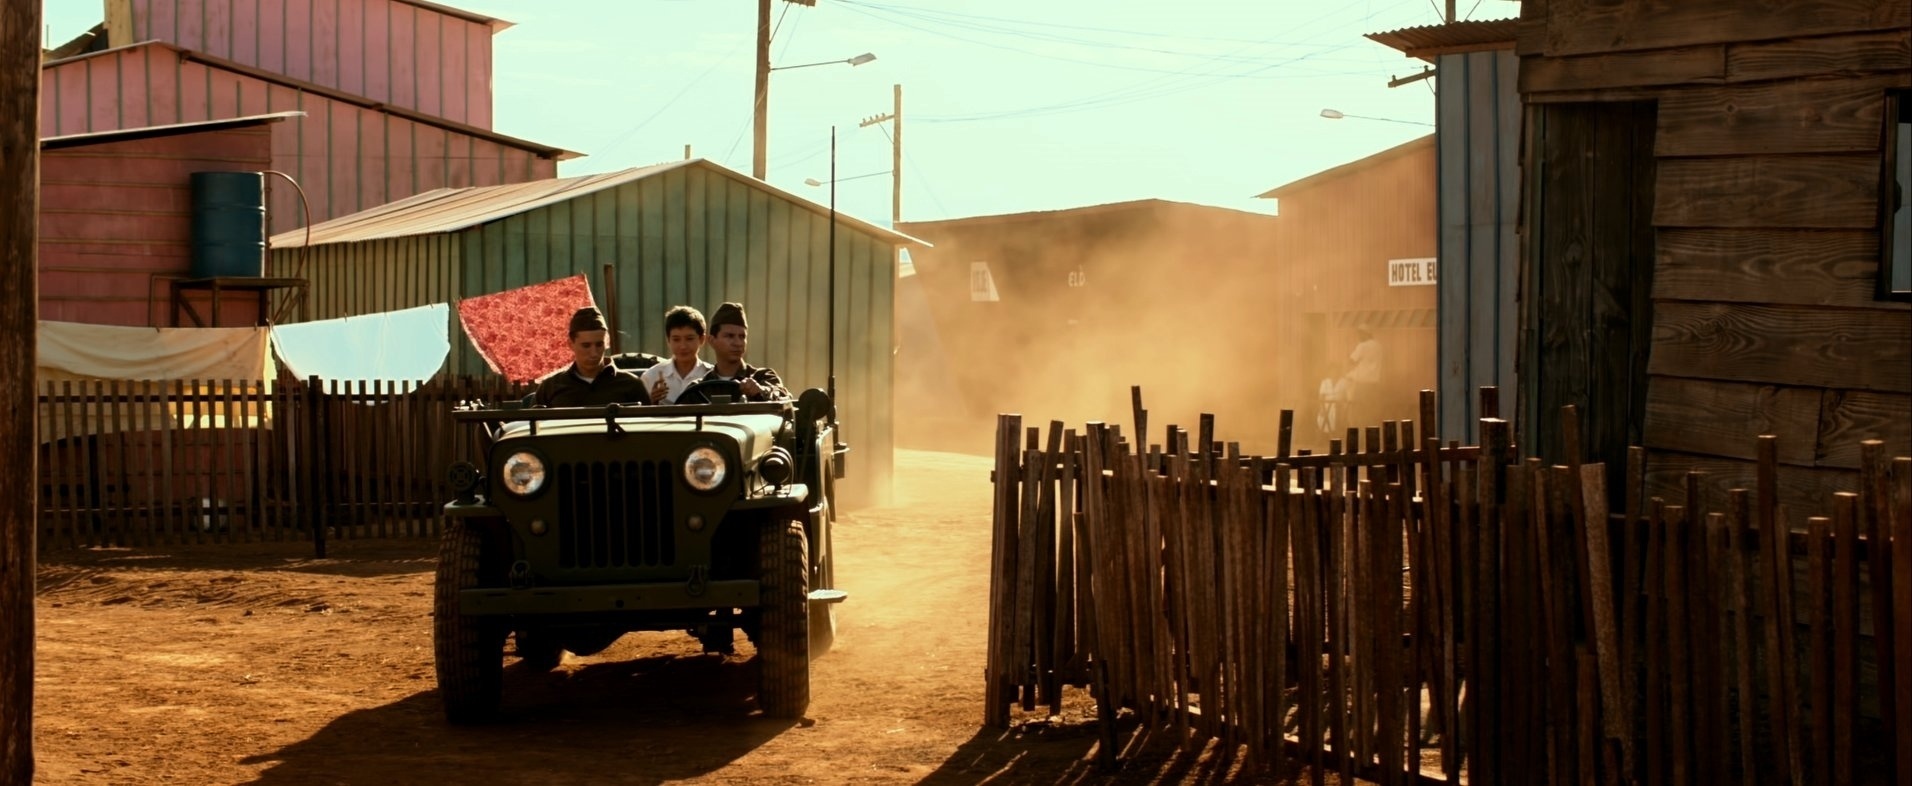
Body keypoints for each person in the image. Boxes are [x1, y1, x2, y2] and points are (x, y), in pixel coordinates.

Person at [532, 306, 648, 407]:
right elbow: (530, 426)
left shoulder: (631, 385)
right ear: (571, 344)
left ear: (607, 343)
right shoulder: (550, 388)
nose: (594, 352)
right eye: (586, 346)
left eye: (599, 344)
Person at [700, 302, 790, 402]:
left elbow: (782, 397)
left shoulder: (762, 377)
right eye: (730, 336)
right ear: (712, 341)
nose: (738, 343)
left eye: (742, 337)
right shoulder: (699, 389)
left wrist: (761, 391)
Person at [639, 305, 714, 404]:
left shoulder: (711, 376)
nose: (683, 346)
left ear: (702, 339)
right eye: (676, 339)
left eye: (689, 338)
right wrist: (650, 402)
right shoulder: (651, 377)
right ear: (668, 340)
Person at [1345, 327, 1384, 425]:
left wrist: (1347, 356)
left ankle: (1359, 431)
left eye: (1360, 334)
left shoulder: (1362, 346)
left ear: (1366, 334)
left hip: (1362, 384)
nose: (1358, 337)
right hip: (1374, 384)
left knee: (1358, 410)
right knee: (1371, 411)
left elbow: (1351, 360)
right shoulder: (1379, 346)